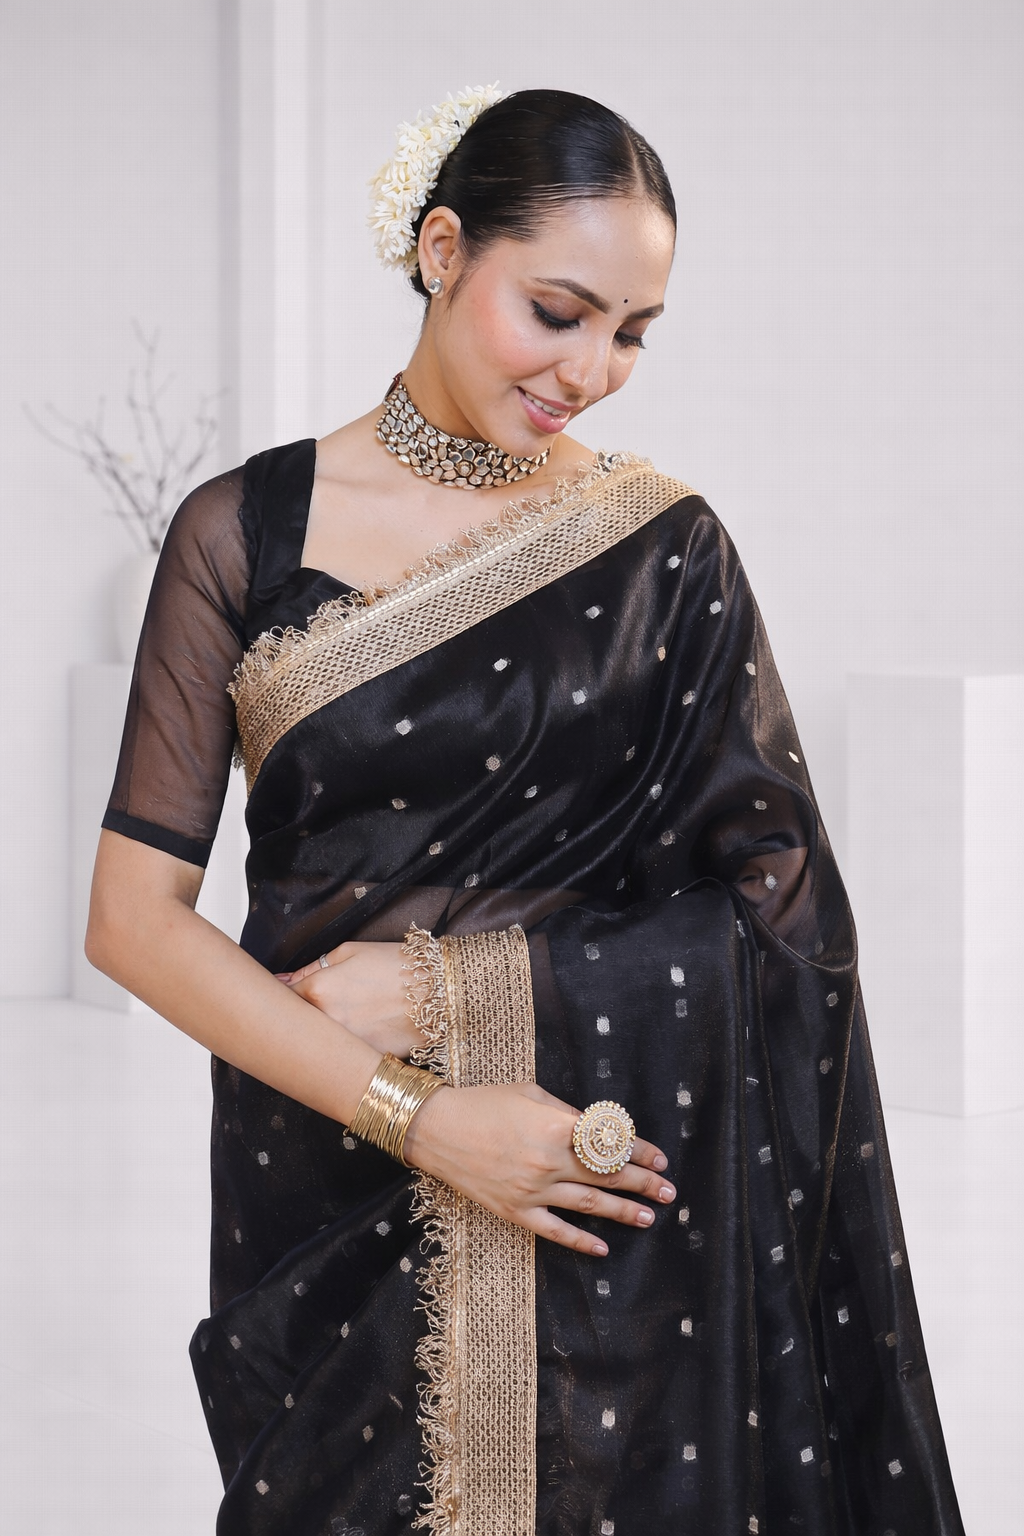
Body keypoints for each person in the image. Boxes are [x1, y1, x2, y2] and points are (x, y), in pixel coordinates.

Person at [87, 87, 964, 1536]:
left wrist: (452, 989)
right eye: (558, 311)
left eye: (632, 331)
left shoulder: (667, 550)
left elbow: (788, 923)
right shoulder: (244, 535)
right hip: (320, 1158)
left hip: (598, 1175)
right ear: (442, 250)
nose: (594, 369)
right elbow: (131, 923)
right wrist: (418, 1118)